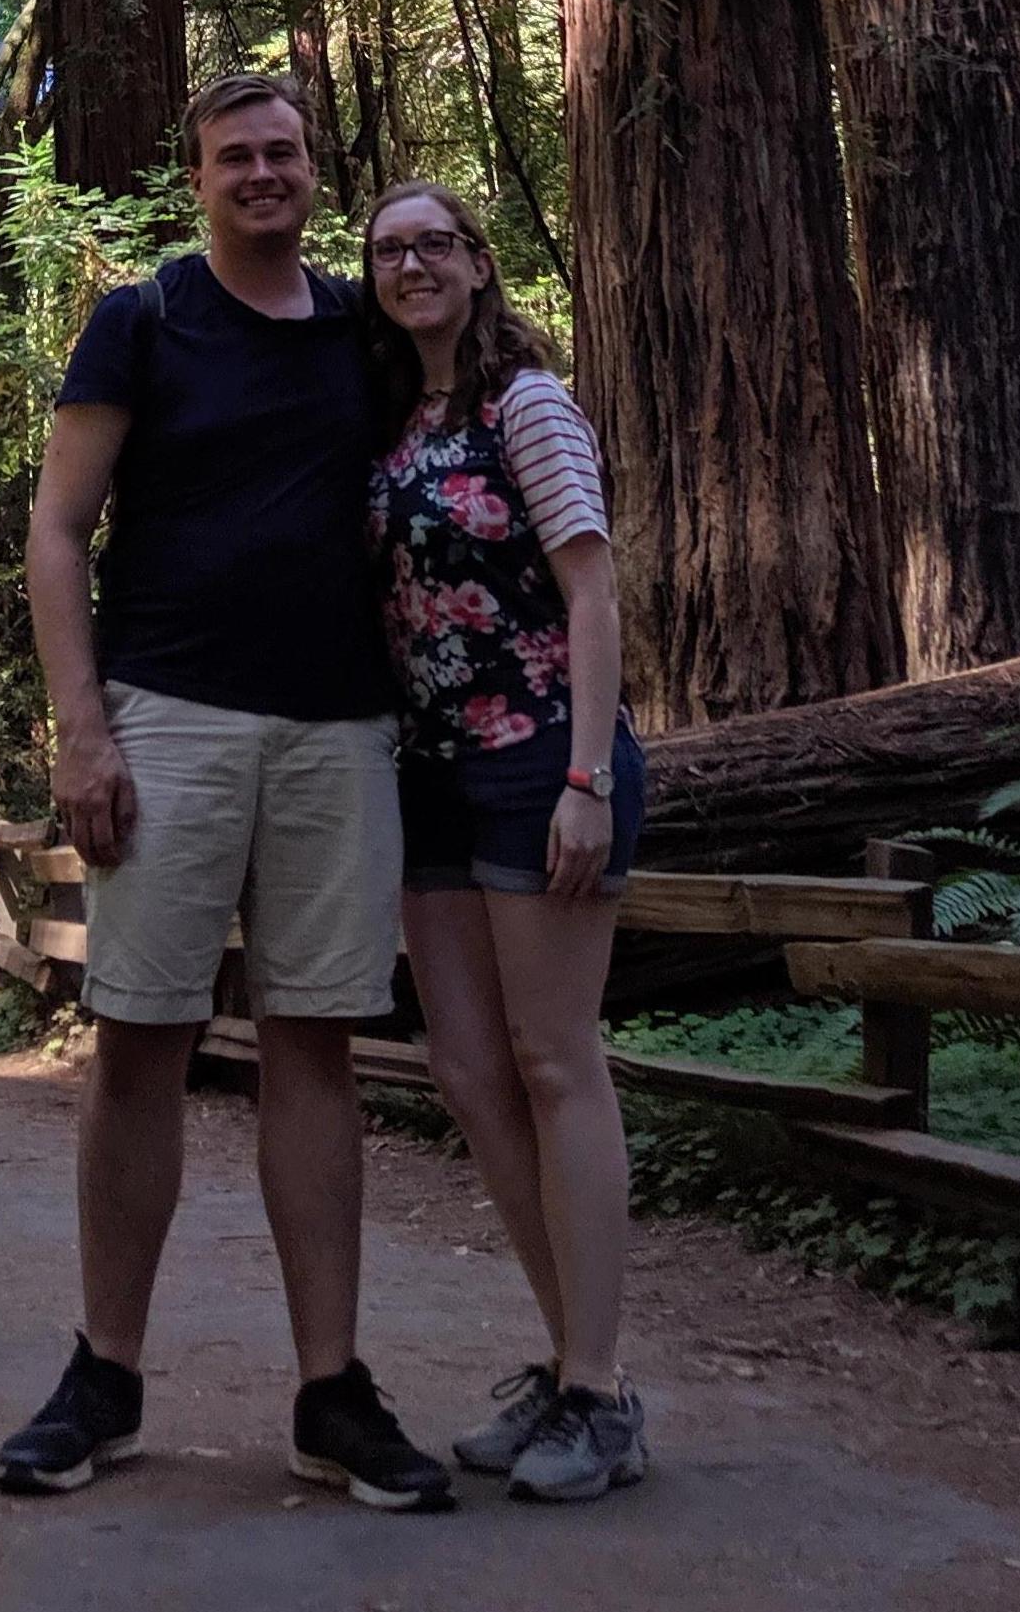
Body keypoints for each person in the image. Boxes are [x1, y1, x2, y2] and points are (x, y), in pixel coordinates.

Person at [0, 74, 452, 1514]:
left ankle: (331, 1389)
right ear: (195, 177)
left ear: (317, 172)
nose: (263, 173)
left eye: (284, 153)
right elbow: (60, 528)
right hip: (169, 718)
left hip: (338, 728)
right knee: (142, 1038)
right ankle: (104, 1374)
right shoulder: (143, 319)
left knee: (315, 1047)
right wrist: (83, 728)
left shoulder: (361, 334)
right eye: (234, 155)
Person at [363, 180, 649, 1504]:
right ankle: (566, 1366)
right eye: (387, 250)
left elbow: (590, 585)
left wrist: (586, 776)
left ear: (478, 267)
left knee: (550, 1056)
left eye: (433, 244)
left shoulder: (525, 405)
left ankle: (598, 1388)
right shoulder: (392, 422)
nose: (410, 263)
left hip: (538, 756)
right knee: (469, 1070)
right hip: (426, 775)